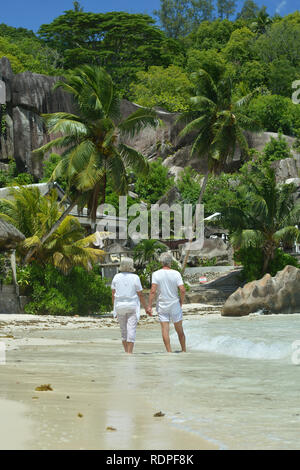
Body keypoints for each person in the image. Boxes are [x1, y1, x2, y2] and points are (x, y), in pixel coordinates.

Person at [147, 252, 186, 353]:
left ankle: (169, 352)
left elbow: (152, 291)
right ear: (170, 262)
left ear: (161, 262)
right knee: (179, 329)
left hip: (162, 305)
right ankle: (184, 350)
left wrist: (149, 306)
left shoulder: (156, 274)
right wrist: (181, 301)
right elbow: (182, 290)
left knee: (165, 329)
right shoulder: (176, 273)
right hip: (174, 304)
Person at [111, 257, 149, 354]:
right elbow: (140, 294)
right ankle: (129, 353)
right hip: (132, 305)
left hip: (119, 306)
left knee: (123, 331)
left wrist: (114, 309)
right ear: (131, 265)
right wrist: (146, 308)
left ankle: (126, 353)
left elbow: (113, 294)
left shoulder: (116, 277)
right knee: (131, 330)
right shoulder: (135, 277)